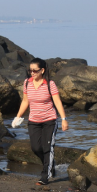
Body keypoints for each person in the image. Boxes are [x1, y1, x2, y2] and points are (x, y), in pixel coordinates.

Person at [12, 57, 69, 185]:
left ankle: (45, 176)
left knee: (47, 148)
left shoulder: (50, 84)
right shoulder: (27, 83)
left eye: (35, 71)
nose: (32, 73)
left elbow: (57, 102)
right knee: (36, 147)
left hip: (50, 120)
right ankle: (49, 164)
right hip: (33, 121)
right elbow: (25, 101)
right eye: (30, 70)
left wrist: (64, 119)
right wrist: (18, 116)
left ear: (42, 70)